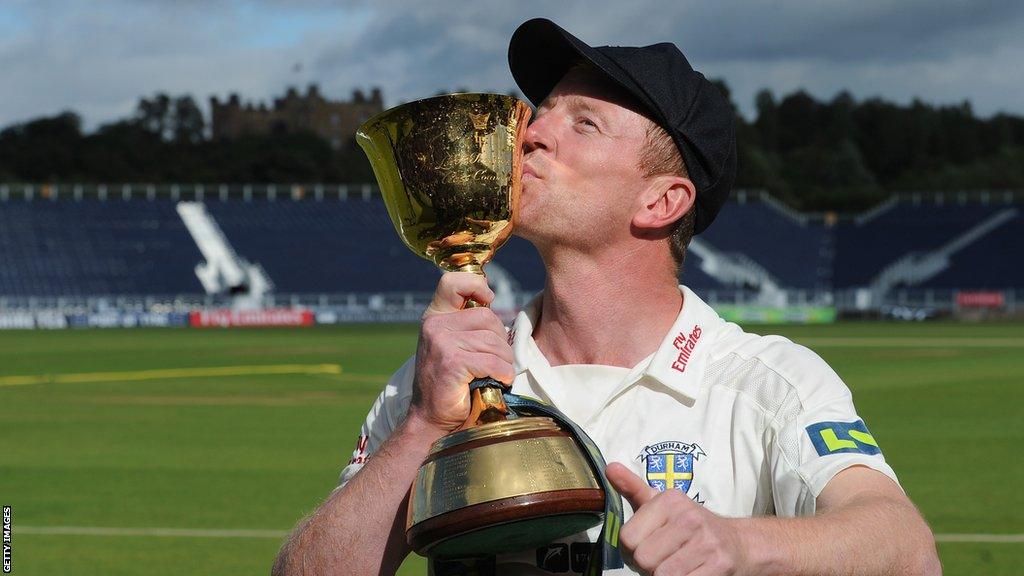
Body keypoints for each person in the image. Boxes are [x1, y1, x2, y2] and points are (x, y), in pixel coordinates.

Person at [272, 18, 941, 576]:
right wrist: (421, 425)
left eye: (584, 123)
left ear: (660, 201)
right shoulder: (439, 382)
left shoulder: (767, 383)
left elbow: (908, 550)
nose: (529, 131)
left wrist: (740, 544)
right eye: (544, 111)